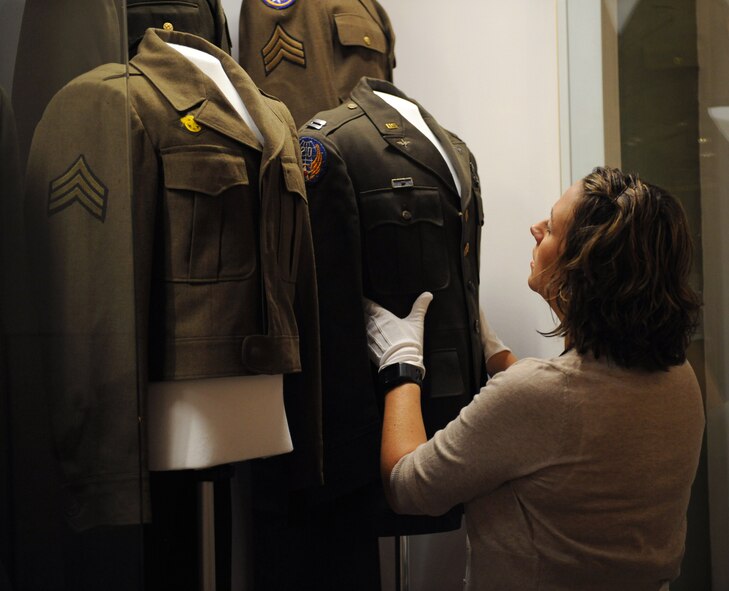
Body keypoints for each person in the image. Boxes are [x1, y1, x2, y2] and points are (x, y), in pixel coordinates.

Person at [364, 166, 704, 591]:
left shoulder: (538, 396)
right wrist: (498, 355)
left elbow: (407, 487)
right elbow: (575, 427)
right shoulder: (680, 378)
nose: (536, 228)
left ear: (583, 269)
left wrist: (401, 364)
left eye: (554, 227)